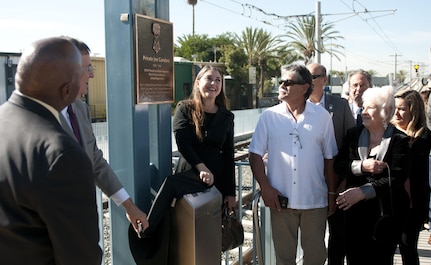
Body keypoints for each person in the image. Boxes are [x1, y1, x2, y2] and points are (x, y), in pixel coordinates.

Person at [0, 37, 102, 264]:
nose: (91, 76)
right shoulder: (63, 155)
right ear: (67, 90)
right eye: (83, 72)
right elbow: (80, 256)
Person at [249, 64, 338, 265]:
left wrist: (332, 195)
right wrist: (266, 188)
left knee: (315, 258)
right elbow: (254, 154)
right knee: (284, 259)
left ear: (305, 87)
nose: (282, 86)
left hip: (315, 201)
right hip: (280, 202)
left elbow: (330, 158)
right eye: (281, 82)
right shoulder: (269, 117)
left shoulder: (322, 117)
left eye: (288, 82)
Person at [60, 37, 148, 234]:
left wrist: (129, 206)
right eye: (87, 69)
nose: (91, 75)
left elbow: (95, 161)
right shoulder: (34, 117)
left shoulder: (80, 108)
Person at [141, 65, 236, 237]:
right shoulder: (185, 108)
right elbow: (182, 143)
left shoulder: (227, 116)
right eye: (209, 78)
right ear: (198, 82)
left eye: (218, 80)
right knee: (184, 227)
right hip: (190, 172)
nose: (213, 83)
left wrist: (230, 192)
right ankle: (148, 232)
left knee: (209, 235)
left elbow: (229, 154)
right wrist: (202, 168)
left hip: (216, 178)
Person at [334, 86, 411, 265]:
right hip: (355, 213)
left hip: (385, 214)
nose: (364, 111)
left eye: (370, 107)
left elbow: (397, 177)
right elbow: (340, 165)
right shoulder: (353, 135)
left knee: (381, 260)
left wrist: (362, 192)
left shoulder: (399, 140)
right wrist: (362, 166)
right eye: (363, 106)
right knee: (354, 258)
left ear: (387, 111)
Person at [306, 63, 355, 265]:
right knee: (312, 236)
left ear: (324, 80)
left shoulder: (340, 105)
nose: (308, 82)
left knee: (338, 235)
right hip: (309, 182)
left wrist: (344, 180)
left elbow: (351, 141)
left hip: (335, 182)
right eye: (305, 77)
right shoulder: (298, 105)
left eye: (313, 77)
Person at [391, 89, 431, 265]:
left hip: (414, 203)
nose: (396, 113)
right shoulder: (387, 132)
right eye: (395, 108)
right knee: (386, 248)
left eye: (402, 109)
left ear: (413, 110)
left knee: (408, 247)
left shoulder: (424, 136)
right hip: (390, 200)